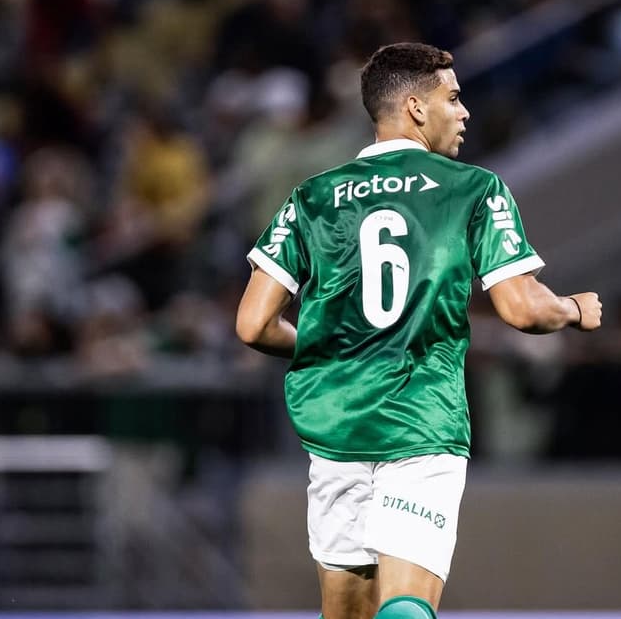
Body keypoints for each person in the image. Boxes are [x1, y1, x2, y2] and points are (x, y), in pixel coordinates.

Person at [235, 42, 602, 619]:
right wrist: (574, 309)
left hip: (335, 429)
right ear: (415, 107)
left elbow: (254, 324)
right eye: (453, 98)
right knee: (405, 609)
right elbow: (523, 309)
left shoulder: (312, 197)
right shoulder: (473, 189)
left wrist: (334, 345)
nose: (465, 112)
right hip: (420, 422)